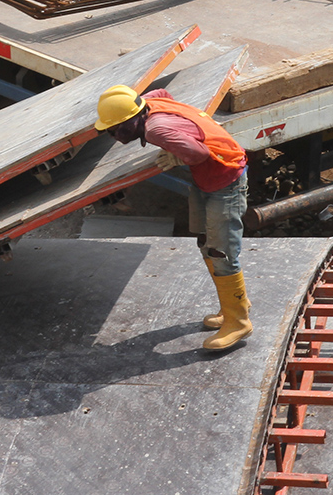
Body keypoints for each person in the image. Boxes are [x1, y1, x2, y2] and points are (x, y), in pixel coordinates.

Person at [95, 84, 252, 351]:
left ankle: (239, 322)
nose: (112, 134)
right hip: (208, 182)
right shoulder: (146, 104)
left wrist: (177, 155)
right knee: (206, 243)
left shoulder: (156, 130)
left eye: (113, 129)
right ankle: (234, 304)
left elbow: (200, 153)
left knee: (221, 251)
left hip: (226, 181)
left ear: (130, 121)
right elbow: (163, 92)